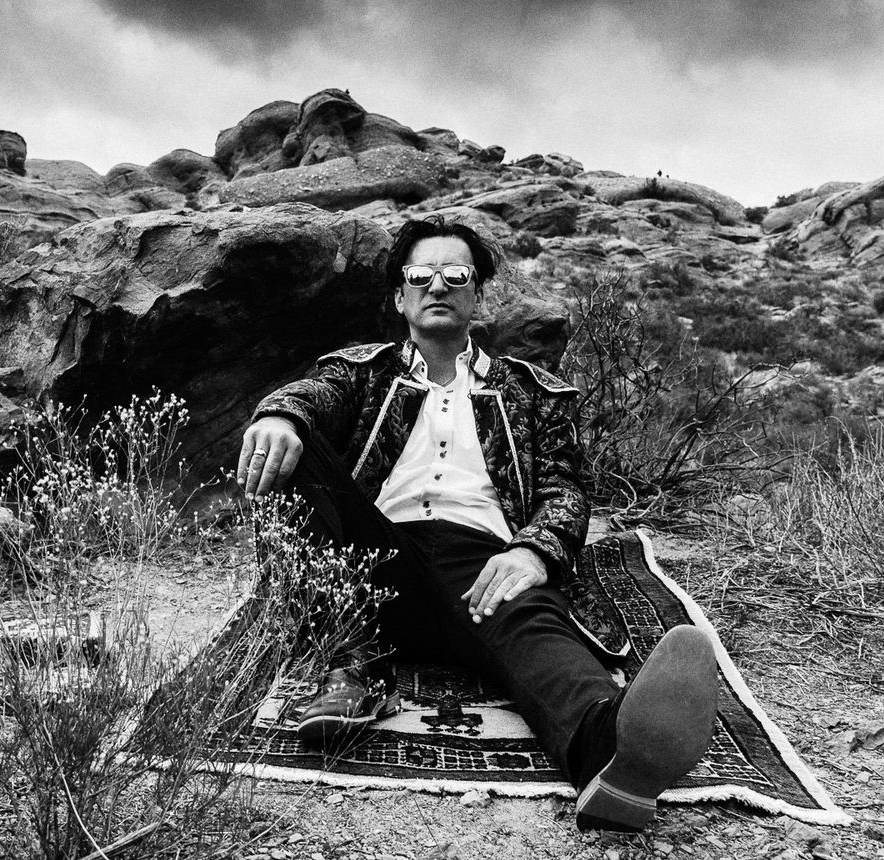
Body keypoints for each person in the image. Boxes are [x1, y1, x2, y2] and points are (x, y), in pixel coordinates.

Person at [236, 214, 719, 833]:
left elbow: (565, 489)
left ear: (477, 296)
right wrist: (281, 416)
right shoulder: (360, 372)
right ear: (400, 297)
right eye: (420, 275)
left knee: (534, 624)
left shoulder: (534, 392)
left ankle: (610, 750)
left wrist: (533, 552)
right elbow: (312, 394)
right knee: (291, 449)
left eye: (455, 275)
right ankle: (356, 657)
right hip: (372, 558)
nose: (437, 285)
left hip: (485, 563)